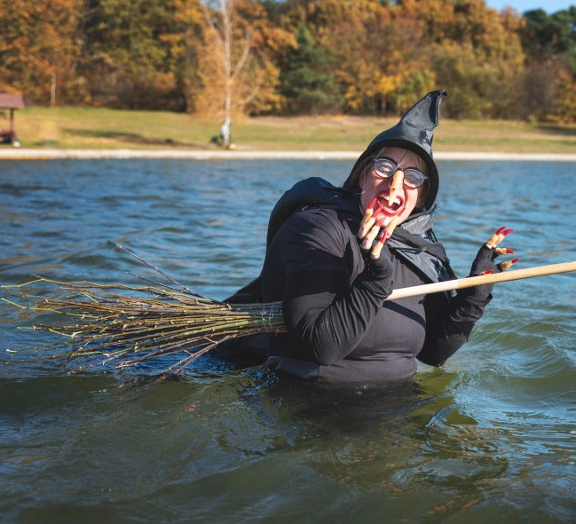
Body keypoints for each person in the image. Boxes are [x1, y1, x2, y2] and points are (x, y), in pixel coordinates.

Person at [221, 90, 516, 382]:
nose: (395, 184)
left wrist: (476, 292)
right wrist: (375, 280)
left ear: (421, 196)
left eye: (413, 177)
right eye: (385, 166)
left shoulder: (419, 250)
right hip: (317, 407)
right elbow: (319, 346)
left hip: (400, 406)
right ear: (362, 174)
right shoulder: (318, 229)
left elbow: (434, 353)